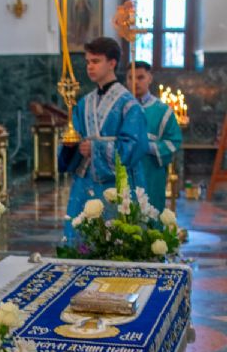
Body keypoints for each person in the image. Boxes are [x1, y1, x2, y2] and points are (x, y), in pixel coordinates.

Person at [58, 37, 149, 241]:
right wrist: (71, 146)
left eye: (96, 61)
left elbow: (134, 146)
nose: (90, 67)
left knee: (115, 241)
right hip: (85, 184)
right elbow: (75, 138)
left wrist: (96, 148)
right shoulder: (84, 103)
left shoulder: (129, 105)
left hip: (116, 185)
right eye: (88, 62)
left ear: (112, 63)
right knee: (83, 240)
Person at [126, 61, 182, 213]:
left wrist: (148, 146)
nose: (135, 82)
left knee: (151, 216)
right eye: (130, 78)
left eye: (140, 77)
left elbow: (174, 141)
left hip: (151, 173)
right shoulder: (121, 108)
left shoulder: (163, 111)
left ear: (150, 78)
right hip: (125, 174)